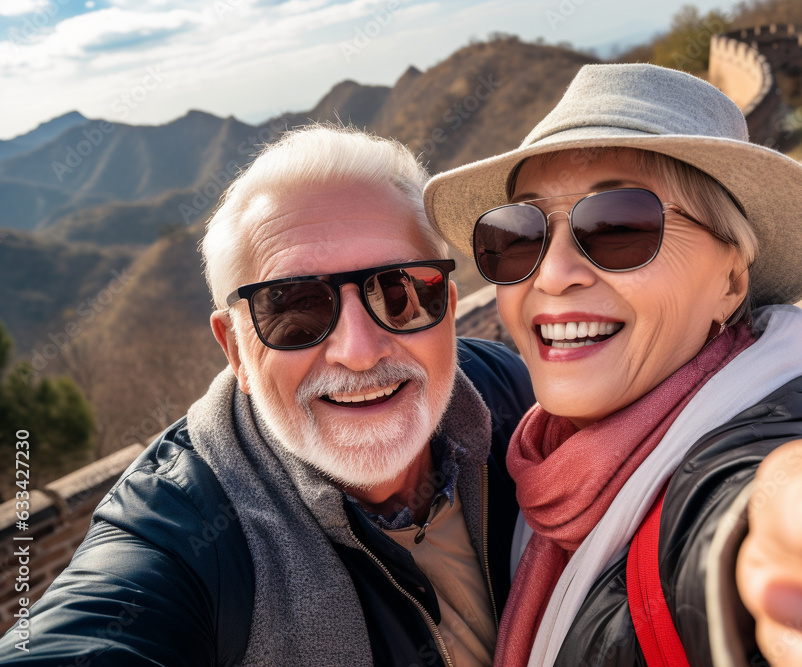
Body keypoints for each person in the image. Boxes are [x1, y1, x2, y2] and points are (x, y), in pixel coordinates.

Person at [423, 64, 802, 667]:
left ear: (730, 279)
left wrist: (788, 550)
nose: (553, 272)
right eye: (519, 233)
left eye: (618, 225)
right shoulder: (540, 466)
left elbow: (751, 500)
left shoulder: (774, 439)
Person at [0, 126, 534, 666]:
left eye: (400, 292)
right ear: (236, 351)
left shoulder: (508, 390)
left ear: (446, 306)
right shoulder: (184, 531)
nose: (359, 351)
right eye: (293, 308)